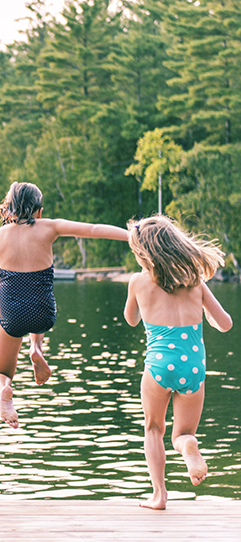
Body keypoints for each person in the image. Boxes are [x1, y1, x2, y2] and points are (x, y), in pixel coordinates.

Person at [0, 181, 129, 428]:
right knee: (36, 299)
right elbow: (94, 229)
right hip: (43, 312)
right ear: (39, 211)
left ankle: (4, 391)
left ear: (8, 209)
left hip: (11, 314)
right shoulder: (50, 227)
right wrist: (131, 234)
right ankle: (36, 347)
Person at [124, 215, 232, 510]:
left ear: (143, 253)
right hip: (194, 368)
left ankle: (159, 495)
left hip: (159, 366)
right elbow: (225, 323)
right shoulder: (195, 281)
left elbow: (131, 319)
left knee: (153, 429)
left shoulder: (138, 282)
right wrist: (205, 316)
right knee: (183, 433)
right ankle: (189, 449)